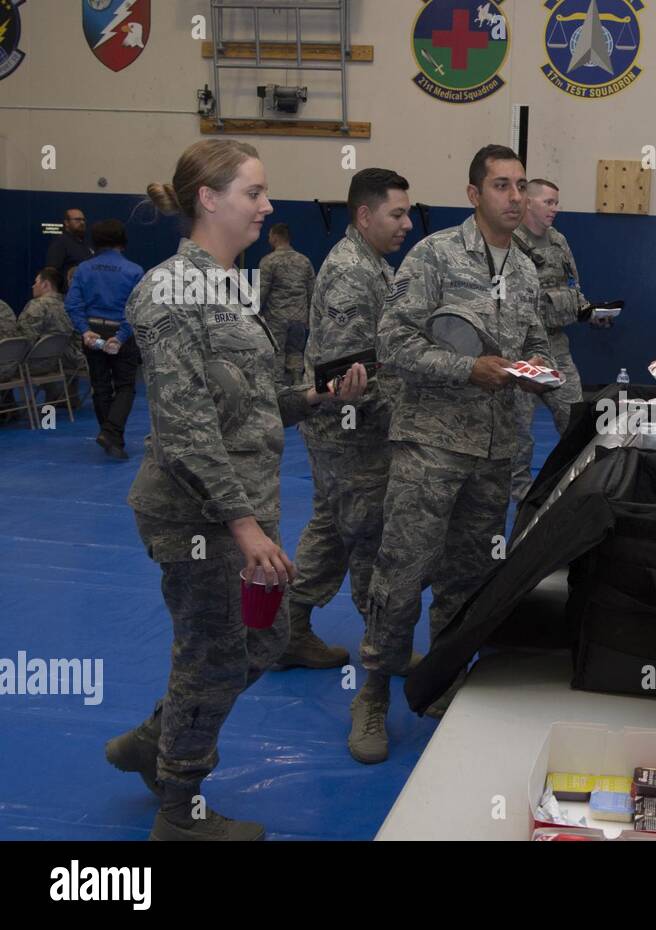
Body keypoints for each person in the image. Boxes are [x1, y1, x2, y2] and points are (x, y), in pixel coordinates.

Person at [102, 139, 366, 841]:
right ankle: (179, 810)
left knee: (257, 638)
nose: (268, 205)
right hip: (201, 515)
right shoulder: (168, 294)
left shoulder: (224, 286)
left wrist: (316, 395)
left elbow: (249, 403)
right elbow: (187, 434)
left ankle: (155, 741)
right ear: (209, 199)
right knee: (216, 651)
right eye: (254, 192)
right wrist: (246, 528)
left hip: (238, 508)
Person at [355, 144, 552, 764]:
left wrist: (538, 370)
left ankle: (439, 682)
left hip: (495, 453)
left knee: (466, 579)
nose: (515, 197)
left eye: (521, 186)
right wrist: (468, 369)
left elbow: (540, 341)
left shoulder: (525, 269)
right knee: (404, 573)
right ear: (474, 195)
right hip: (430, 446)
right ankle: (372, 697)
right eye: (502, 186)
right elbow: (392, 341)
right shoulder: (435, 255)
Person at [280, 168, 413, 670]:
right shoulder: (352, 273)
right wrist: (410, 411)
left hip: (353, 434)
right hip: (349, 435)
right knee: (369, 538)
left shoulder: (372, 263)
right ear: (364, 214)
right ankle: (386, 651)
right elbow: (346, 381)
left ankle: (287, 629)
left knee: (332, 529)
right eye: (396, 214)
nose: (406, 225)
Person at [508, 178, 608, 503]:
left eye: (557, 202)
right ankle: (522, 501)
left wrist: (589, 312)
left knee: (575, 418)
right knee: (520, 434)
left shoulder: (559, 241)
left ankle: (576, 487)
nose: (556, 208)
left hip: (556, 346)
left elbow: (573, 287)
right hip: (520, 350)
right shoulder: (509, 243)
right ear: (528, 203)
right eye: (549, 202)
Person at [65, 219, 144, 459]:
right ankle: (111, 434)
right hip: (122, 332)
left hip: (92, 332)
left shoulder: (83, 269)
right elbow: (137, 310)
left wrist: (85, 330)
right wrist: (120, 337)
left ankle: (110, 435)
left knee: (100, 387)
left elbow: (72, 304)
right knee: (125, 387)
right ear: (123, 241)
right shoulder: (134, 270)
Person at [18, 267, 87, 407]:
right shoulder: (69, 305)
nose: (33, 286)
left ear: (45, 284)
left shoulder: (36, 306)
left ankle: (9, 409)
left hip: (34, 366)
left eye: (36, 282)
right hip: (62, 362)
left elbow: (23, 340)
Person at [257, 222, 316, 384]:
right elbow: (313, 292)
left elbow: (259, 294)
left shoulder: (267, 261)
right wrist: (310, 319)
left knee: (277, 353)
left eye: (269, 236)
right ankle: (297, 388)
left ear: (275, 237)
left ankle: (277, 394)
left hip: (276, 318)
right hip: (299, 319)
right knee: (296, 353)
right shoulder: (305, 261)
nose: (268, 239)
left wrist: (252, 318)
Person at [45, 208, 94, 280]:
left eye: (83, 220)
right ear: (66, 223)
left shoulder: (87, 243)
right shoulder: (60, 242)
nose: (82, 223)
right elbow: (51, 271)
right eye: (77, 220)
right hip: (69, 289)